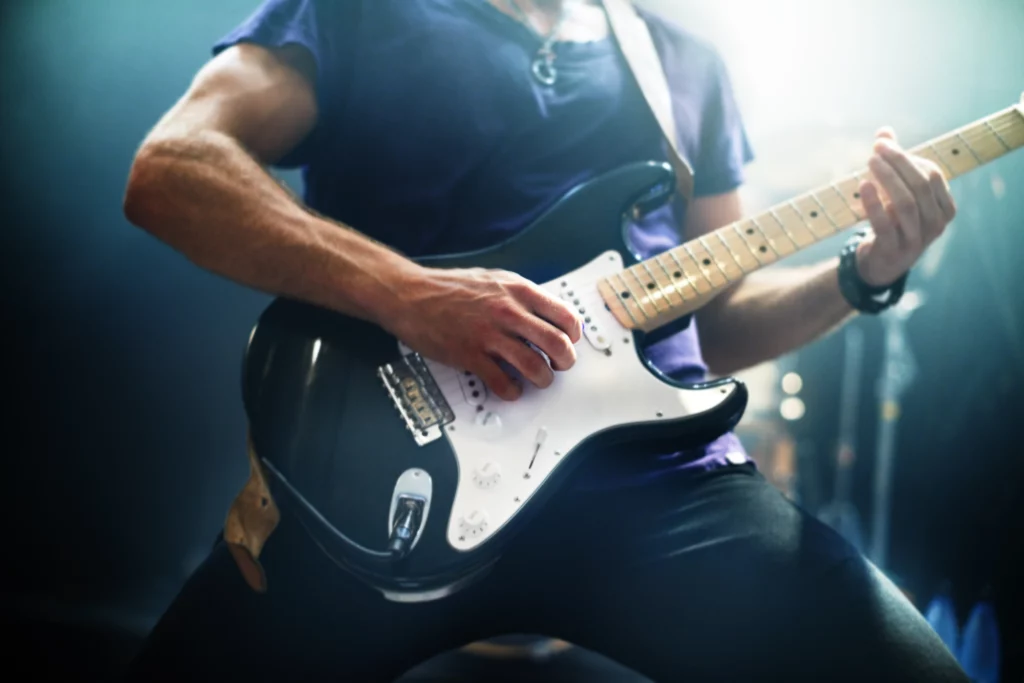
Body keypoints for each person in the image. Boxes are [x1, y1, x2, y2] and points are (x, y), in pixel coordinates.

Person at [122, 0, 966, 680]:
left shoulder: (681, 58)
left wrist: (863, 277)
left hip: (662, 487)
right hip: (379, 473)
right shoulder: (357, 14)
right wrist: (411, 295)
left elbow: (714, 322)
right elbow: (174, 168)